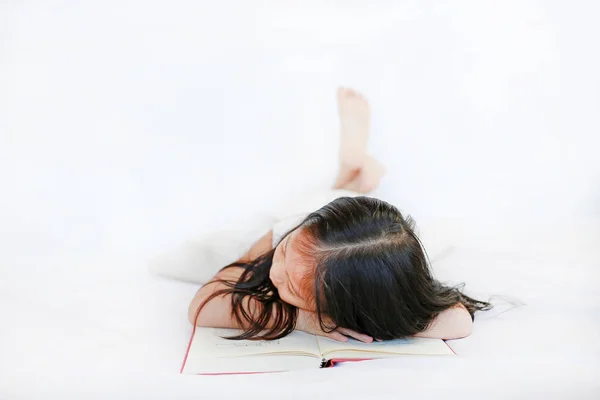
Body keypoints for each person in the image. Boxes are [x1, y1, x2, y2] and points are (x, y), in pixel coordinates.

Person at [188, 88, 491, 343]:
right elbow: (203, 305)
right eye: (282, 255)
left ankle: (352, 176)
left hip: (353, 230)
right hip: (316, 214)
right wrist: (300, 318)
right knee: (323, 201)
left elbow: (459, 322)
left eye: (292, 288)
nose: (275, 273)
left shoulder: (370, 282)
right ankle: (349, 178)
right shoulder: (286, 236)